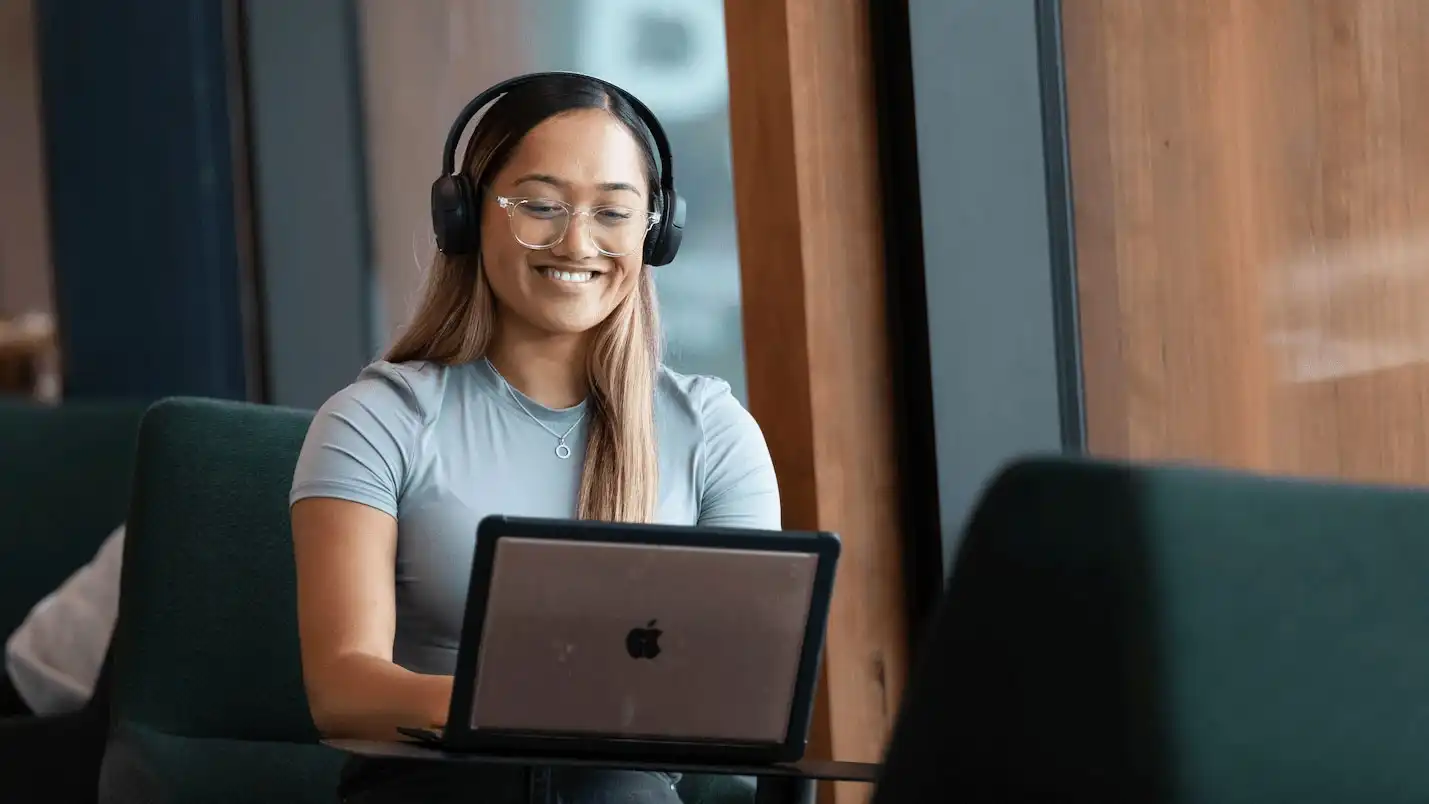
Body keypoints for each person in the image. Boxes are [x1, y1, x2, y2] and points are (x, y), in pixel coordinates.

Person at [289, 72, 779, 803]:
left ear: (655, 230)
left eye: (613, 211)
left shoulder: (712, 432)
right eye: (540, 206)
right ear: (464, 217)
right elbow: (342, 687)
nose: (577, 241)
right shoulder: (374, 420)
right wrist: (535, 709)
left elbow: (743, 688)